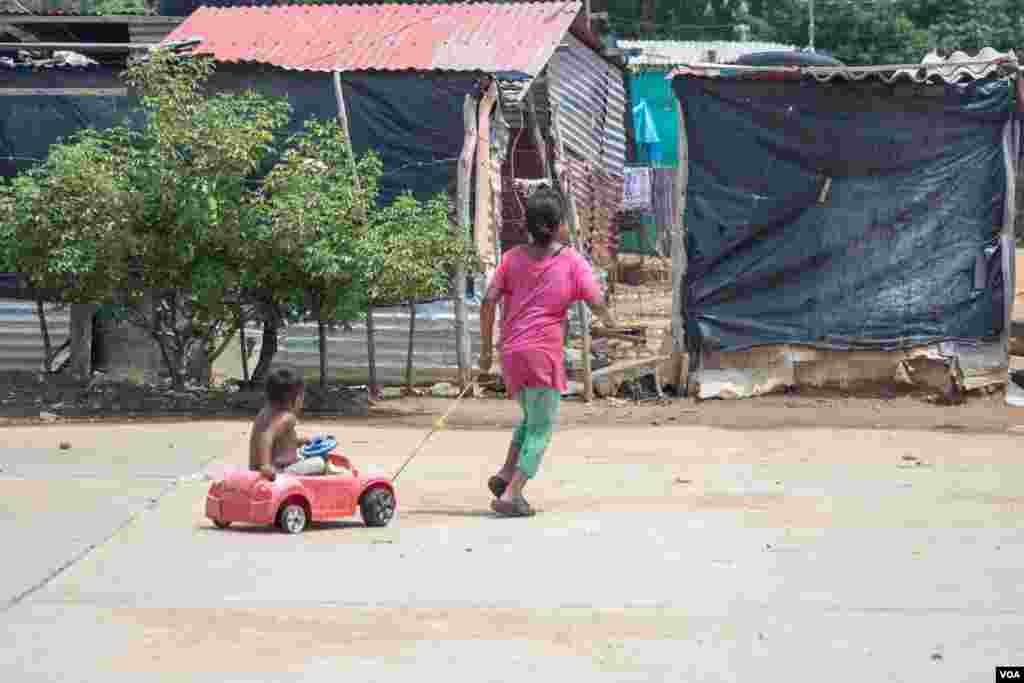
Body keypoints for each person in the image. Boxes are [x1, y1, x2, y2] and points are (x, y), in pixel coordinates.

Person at [478, 186, 616, 517]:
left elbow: (487, 301)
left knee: (530, 418)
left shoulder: (511, 259)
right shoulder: (572, 261)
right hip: (543, 356)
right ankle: (512, 494)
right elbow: (597, 302)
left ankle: (506, 473)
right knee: (542, 427)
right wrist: (611, 321)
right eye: (567, 220)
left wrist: (485, 351)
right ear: (555, 226)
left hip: (513, 355)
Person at [249, 367, 333, 480]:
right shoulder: (287, 418)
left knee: (301, 456)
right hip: (278, 473)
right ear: (295, 399)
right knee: (320, 462)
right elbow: (267, 436)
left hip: (257, 470)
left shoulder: (264, 412)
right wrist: (265, 466)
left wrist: (299, 442)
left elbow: (278, 442)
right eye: (302, 397)